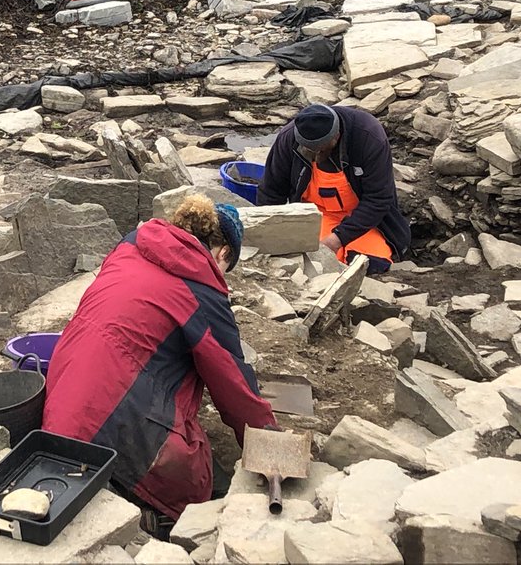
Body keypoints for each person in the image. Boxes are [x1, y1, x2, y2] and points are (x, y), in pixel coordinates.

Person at [43, 195, 277, 536]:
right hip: (106, 421)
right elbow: (234, 386)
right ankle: (151, 516)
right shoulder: (200, 288)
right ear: (223, 252)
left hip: (57, 402)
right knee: (200, 482)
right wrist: (268, 444)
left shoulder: (128, 249)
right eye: (227, 267)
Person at [257, 103, 410, 275]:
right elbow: (271, 191)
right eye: (308, 151)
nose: (314, 157)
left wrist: (335, 240)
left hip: (364, 221)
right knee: (306, 262)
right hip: (315, 217)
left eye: (320, 151)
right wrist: (269, 235)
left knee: (368, 265)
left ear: (336, 137)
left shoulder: (369, 136)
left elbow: (378, 199)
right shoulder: (289, 137)